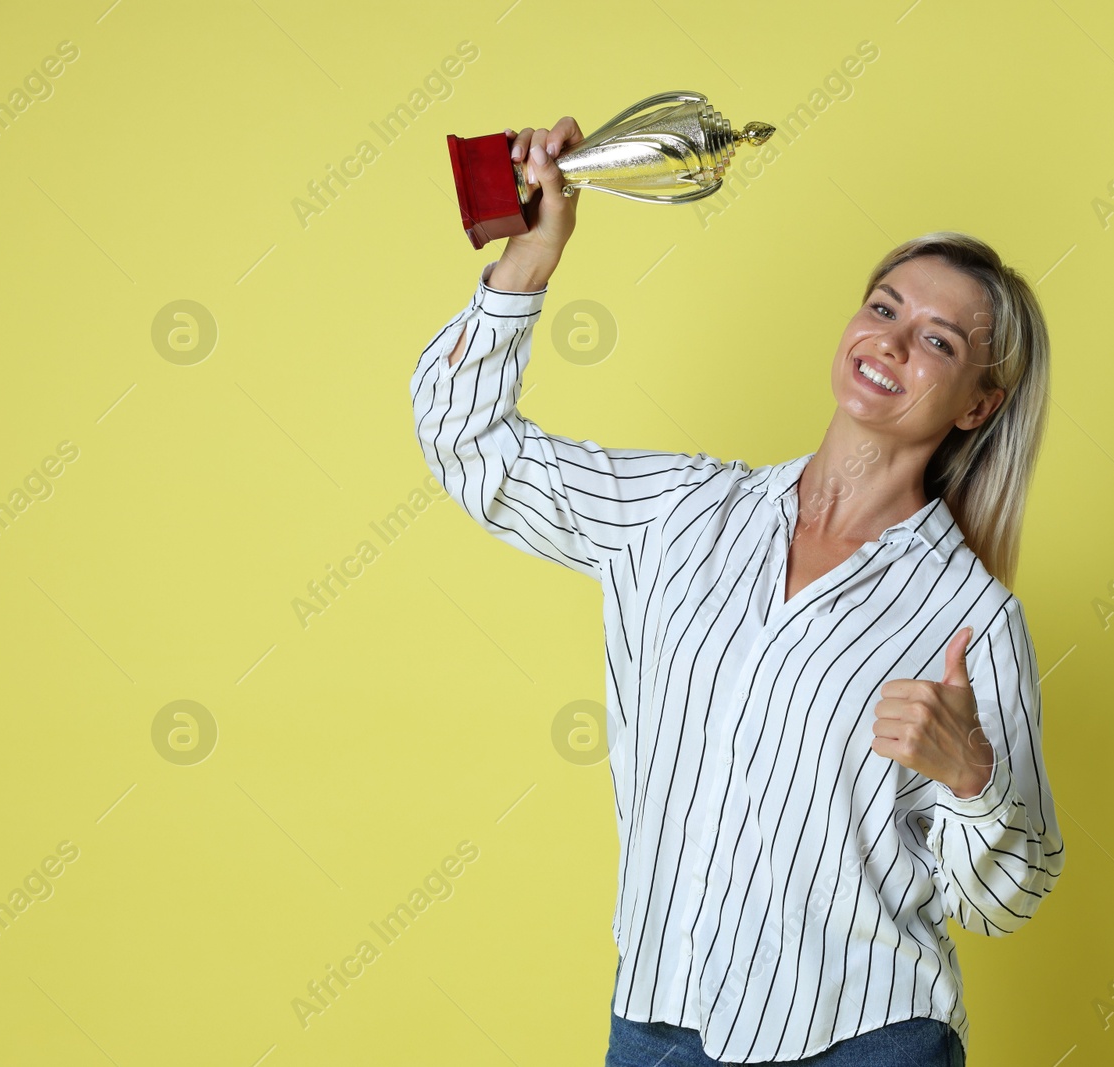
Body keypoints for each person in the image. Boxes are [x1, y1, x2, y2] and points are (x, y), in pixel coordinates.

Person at [410, 116, 1065, 1067]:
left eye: (938, 340)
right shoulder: (678, 514)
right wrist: (534, 255)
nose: (891, 342)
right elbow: (469, 448)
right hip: (656, 1026)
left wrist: (973, 777)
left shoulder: (970, 619)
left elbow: (1009, 894)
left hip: (866, 1040)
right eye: (883, 309)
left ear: (977, 404)